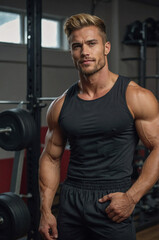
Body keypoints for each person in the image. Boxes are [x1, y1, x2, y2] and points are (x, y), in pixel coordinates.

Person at [38, 13, 159, 240]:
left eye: (92, 43)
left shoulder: (135, 96)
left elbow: (158, 148)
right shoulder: (60, 105)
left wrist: (131, 197)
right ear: (72, 53)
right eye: (77, 46)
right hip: (71, 200)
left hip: (113, 200)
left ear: (106, 47)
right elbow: (50, 158)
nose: (84, 51)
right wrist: (45, 211)